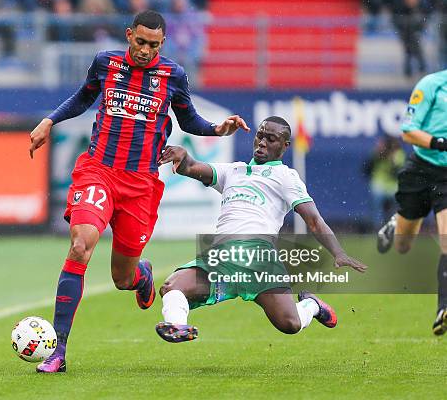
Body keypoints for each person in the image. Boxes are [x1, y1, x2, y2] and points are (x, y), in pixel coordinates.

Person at [28, 10, 249, 373]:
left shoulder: (173, 75)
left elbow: (188, 118)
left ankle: (141, 276)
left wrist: (216, 129)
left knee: (122, 278)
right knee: (81, 244)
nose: (147, 51)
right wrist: (49, 120)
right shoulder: (105, 63)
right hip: (98, 170)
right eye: (141, 42)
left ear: (163, 44)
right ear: (129, 35)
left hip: (140, 185)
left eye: (155, 45)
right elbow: (83, 98)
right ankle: (59, 350)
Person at [154, 117, 367, 343]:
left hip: (258, 255)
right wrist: (182, 155)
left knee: (290, 324)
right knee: (171, 287)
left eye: (271, 139)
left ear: (285, 146)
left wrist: (338, 252)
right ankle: (177, 327)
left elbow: (313, 220)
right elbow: (191, 167)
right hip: (222, 255)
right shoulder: (233, 171)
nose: (262, 143)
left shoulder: (285, 176)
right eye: (260, 136)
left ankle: (311, 305)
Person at [377, 69, 447, 335]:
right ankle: (397, 223)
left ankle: (443, 309)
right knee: (403, 246)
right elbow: (408, 132)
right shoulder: (431, 85)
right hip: (421, 168)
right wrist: (441, 143)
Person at [363, 136, 405, 230]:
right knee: (377, 201)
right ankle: (377, 226)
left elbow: (398, 173)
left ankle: (394, 226)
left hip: (392, 185)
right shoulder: (377, 153)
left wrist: (392, 160)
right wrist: (377, 155)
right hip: (379, 184)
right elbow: (366, 169)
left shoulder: (398, 154)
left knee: (397, 202)